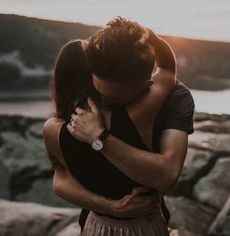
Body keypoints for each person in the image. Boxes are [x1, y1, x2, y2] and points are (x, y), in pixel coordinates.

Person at [43, 18, 193, 235]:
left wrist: (98, 138)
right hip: (144, 227)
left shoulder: (52, 131)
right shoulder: (138, 114)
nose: (104, 101)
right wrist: (150, 36)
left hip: (95, 225)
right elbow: (168, 67)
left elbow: (59, 176)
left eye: (112, 97)